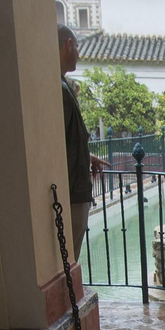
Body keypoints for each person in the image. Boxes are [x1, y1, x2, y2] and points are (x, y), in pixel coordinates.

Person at [58, 24, 105, 260]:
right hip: (71, 195)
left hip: (73, 193)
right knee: (68, 261)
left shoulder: (63, 86)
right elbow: (57, 145)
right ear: (68, 45)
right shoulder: (59, 90)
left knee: (69, 259)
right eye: (76, 46)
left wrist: (86, 157)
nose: (78, 52)